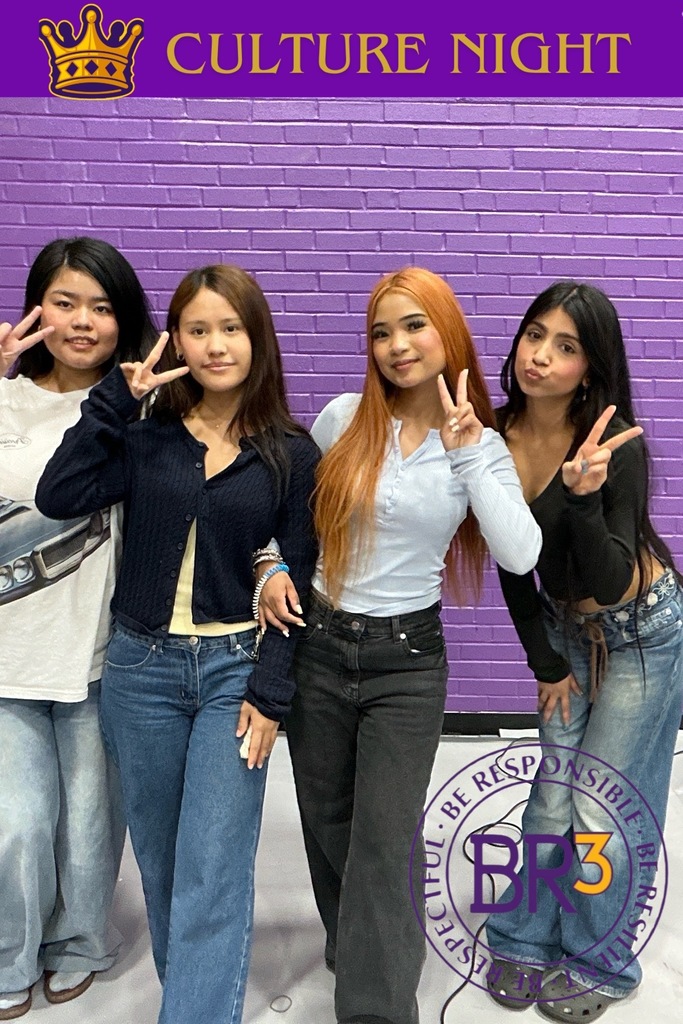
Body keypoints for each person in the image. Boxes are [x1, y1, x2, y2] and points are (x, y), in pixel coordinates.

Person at [35, 264, 320, 1024]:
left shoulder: (291, 452)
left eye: (231, 328)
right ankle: (197, 997)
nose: (216, 344)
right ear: (174, 339)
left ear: (258, 339)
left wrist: (270, 691)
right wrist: (113, 399)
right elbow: (57, 495)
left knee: (212, 866)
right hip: (141, 671)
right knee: (161, 864)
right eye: (198, 329)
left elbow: (302, 582)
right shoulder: (145, 435)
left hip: (234, 672)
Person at [257, 267, 542, 1024]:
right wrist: (270, 567)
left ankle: (376, 1008)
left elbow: (518, 553)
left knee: (384, 840)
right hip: (317, 643)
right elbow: (291, 521)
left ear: (446, 331)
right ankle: (359, 947)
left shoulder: (478, 445)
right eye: (381, 331)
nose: (395, 344)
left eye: (413, 325)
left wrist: (471, 453)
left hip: (405, 664)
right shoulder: (341, 419)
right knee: (327, 822)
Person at [484, 281, 683, 1022]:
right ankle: (524, 933)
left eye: (564, 347)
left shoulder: (612, 445)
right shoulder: (493, 437)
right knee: (550, 799)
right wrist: (545, 662)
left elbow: (608, 572)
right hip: (565, 632)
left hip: (640, 633)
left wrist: (580, 496)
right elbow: (512, 568)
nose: (539, 356)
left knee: (602, 809)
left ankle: (602, 958)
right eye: (534, 334)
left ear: (590, 367)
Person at [0, 236, 157, 1020]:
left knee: (92, 827)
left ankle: (82, 943)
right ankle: (8, 956)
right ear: (35, 306)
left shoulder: (145, 404)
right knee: (16, 826)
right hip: (8, 654)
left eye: (102, 307)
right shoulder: (2, 395)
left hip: (103, 653)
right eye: (65, 302)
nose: (83, 322)